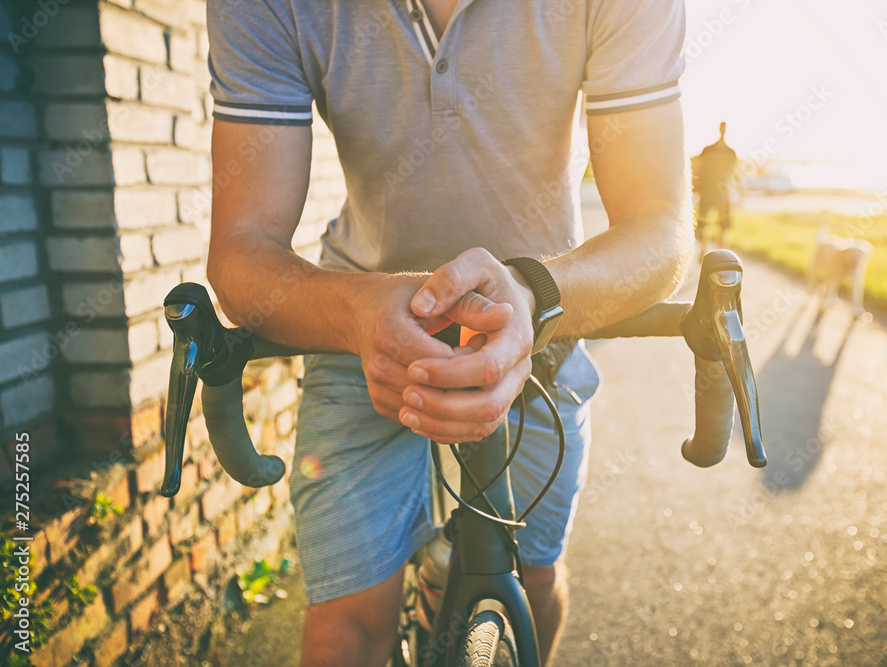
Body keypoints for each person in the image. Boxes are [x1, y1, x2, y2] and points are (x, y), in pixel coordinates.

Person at [204, 0, 692, 664]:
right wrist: (356, 312)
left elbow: (660, 224)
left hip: (543, 317)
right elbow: (240, 247)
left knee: (532, 582)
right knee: (344, 627)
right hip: (359, 321)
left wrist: (533, 297)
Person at [692, 121, 739, 254]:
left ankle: (720, 253)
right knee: (702, 224)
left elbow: (733, 173)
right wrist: (694, 188)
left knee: (724, 226)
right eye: (722, 128)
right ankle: (703, 246)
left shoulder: (731, 152)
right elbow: (698, 169)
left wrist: (739, 192)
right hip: (707, 191)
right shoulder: (708, 150)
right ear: (719, 129)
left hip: (722, 193)